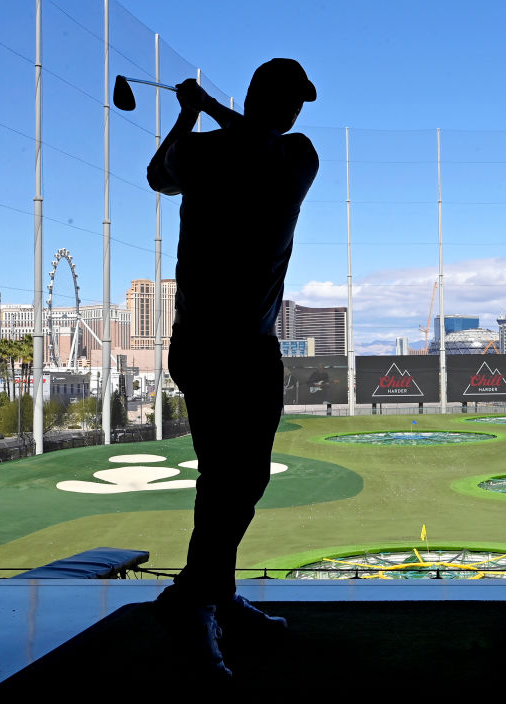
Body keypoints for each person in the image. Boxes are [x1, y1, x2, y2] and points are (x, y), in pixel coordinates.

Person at [146, 58, 318, 678]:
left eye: (298, 102)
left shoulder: (296, 155)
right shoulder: (212, 148)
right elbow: (157, 176)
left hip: (255, 345)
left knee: (244, 480)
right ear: (259, 95)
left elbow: (258, 151)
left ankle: (206, 595)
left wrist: (204, 111)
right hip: (206, 344)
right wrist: (189, 115)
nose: (296, 111)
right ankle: (197, 603)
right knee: (225, 479)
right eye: (288, 98)